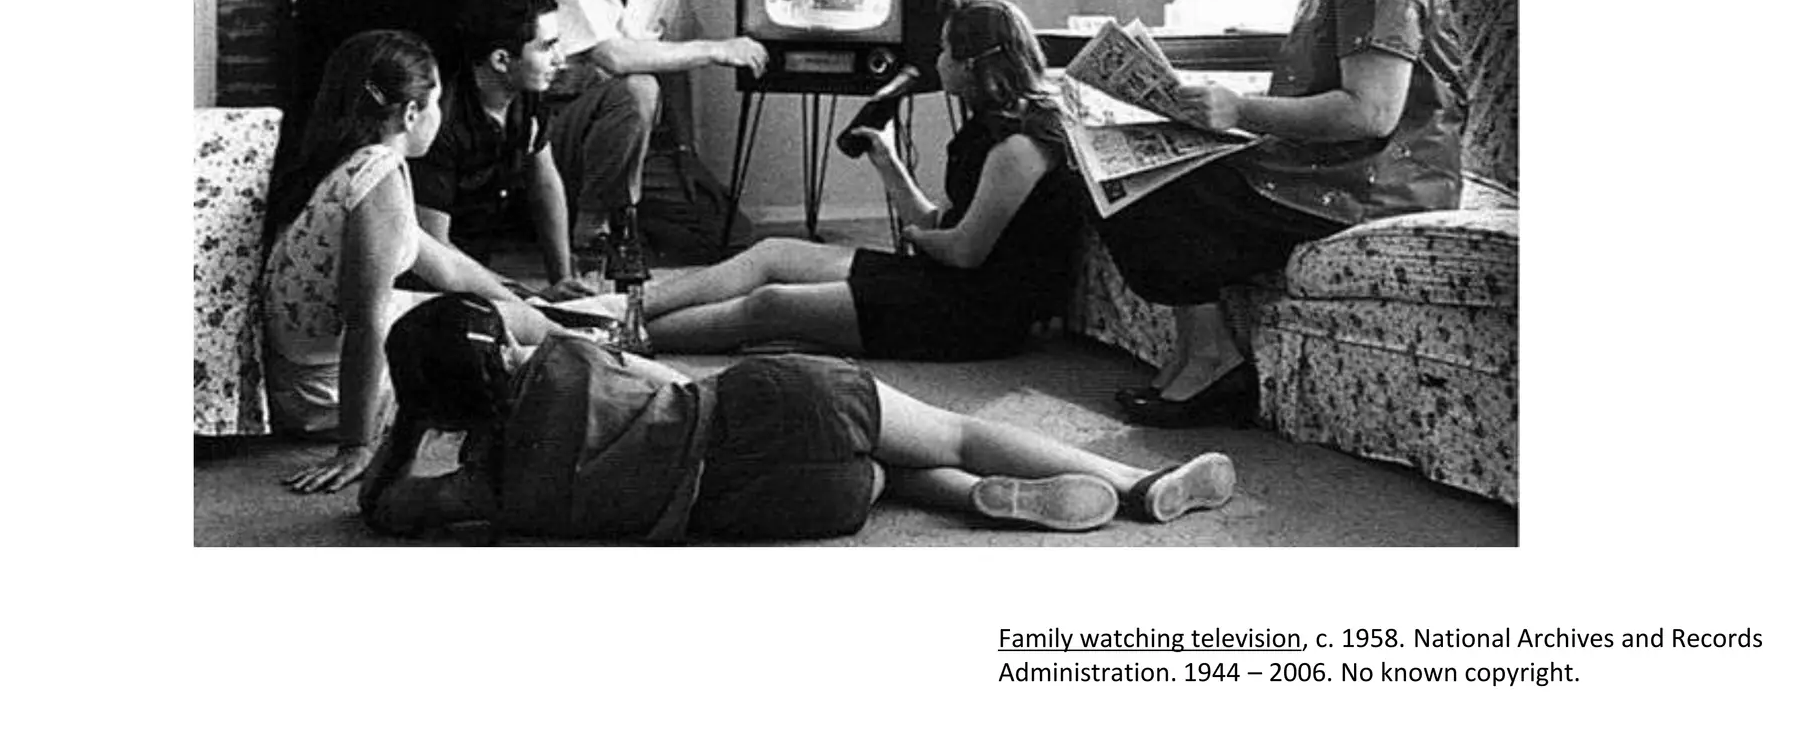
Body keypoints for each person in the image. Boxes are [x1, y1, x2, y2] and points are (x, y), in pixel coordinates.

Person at [1103, 0, 1468, 427]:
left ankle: (1213, 361)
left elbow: (1371, 113)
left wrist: (1239, 111)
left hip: (1374, 185)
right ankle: (1197, 353)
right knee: (1129, 171)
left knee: (1151, 190)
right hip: (1331, 167)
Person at [358, 293, 1240, 542]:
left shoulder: (488, 491)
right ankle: (1136, 482)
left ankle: (971, 499)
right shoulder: (565, 357)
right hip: (776, 407)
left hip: (780, 509)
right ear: (505, 347)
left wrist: (406, 431)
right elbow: (667, 375)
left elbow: (384, 509)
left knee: (886, 477)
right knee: (952, 428)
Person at [639, 0, 1082, 360]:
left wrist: (915, 238)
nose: (938, 59)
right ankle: (628, 308)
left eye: (946, 49)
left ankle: (628, 339)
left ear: (971, 64)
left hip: (976, 315)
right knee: (772, 254)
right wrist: (888, 163)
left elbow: (963, 251)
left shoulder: (1019, 146)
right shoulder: (985, 128)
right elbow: (938, 224)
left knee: (772, 304)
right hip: (942, 279)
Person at [261, 29, 558, 494]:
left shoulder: (349, 161)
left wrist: (532, 303)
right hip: (324, 392)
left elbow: (447, 267)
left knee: (526, 316)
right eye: (436, 102)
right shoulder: (378, 173)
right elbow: (365, 322)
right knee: (516, 346)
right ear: (411, 114)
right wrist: (356, 445)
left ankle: (595, 329)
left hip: (307, 374)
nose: (441, 115)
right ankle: (604, 342)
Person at [523, 0, 769, 251]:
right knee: (638, 87)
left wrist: (685, 150)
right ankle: (592, 223)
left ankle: (620, 214)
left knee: (730, 235)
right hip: (555, 137)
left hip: (632, 144)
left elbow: (674, 62)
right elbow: (613, 57)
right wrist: (716, 49)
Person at [408, 0, 584, 291]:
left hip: (479, 273)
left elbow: (545, 183)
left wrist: (562, 278)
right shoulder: (440, 125)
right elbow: (435, 250)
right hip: (427, 283)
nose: (561, 59)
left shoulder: (527, 96)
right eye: (547, 47)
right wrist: (525, 296)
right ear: (502, 60)